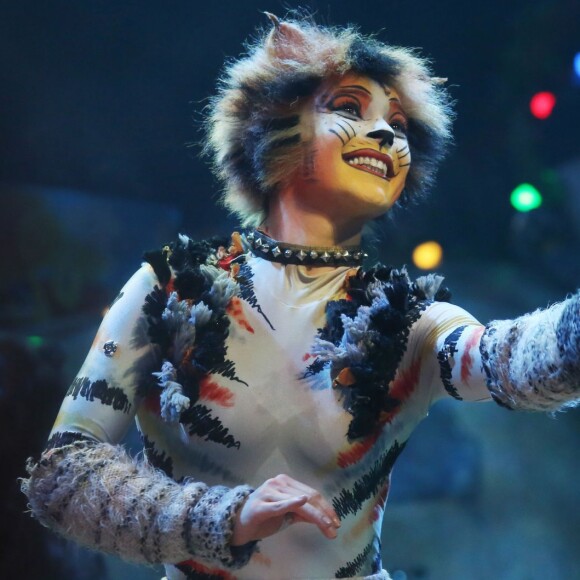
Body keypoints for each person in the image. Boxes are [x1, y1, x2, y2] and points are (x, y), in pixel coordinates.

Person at [22, 14, 579, 580]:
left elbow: (510, 359)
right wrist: (221, 518)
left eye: (401, 123)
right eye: (349, 107)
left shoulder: (405, 316)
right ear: (274, 118)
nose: (388, 135)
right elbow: (63, 476)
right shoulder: (170, 287)